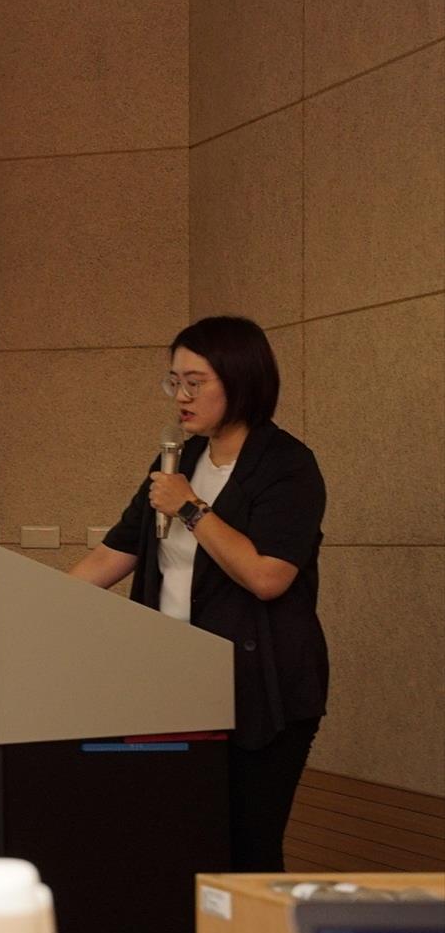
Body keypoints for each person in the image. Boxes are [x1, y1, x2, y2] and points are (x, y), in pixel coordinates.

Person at [69, 316, 328, 871]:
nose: (180, 397)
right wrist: (31, 603)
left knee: (248, 849)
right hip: (175, 682)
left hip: (261, 688)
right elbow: (113, 555)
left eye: (195, 382)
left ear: (241, 381)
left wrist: (190, 508)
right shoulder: (176, 463)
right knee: (179, 841)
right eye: (174, 382)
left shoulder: (287, 466)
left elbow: (268, 576)